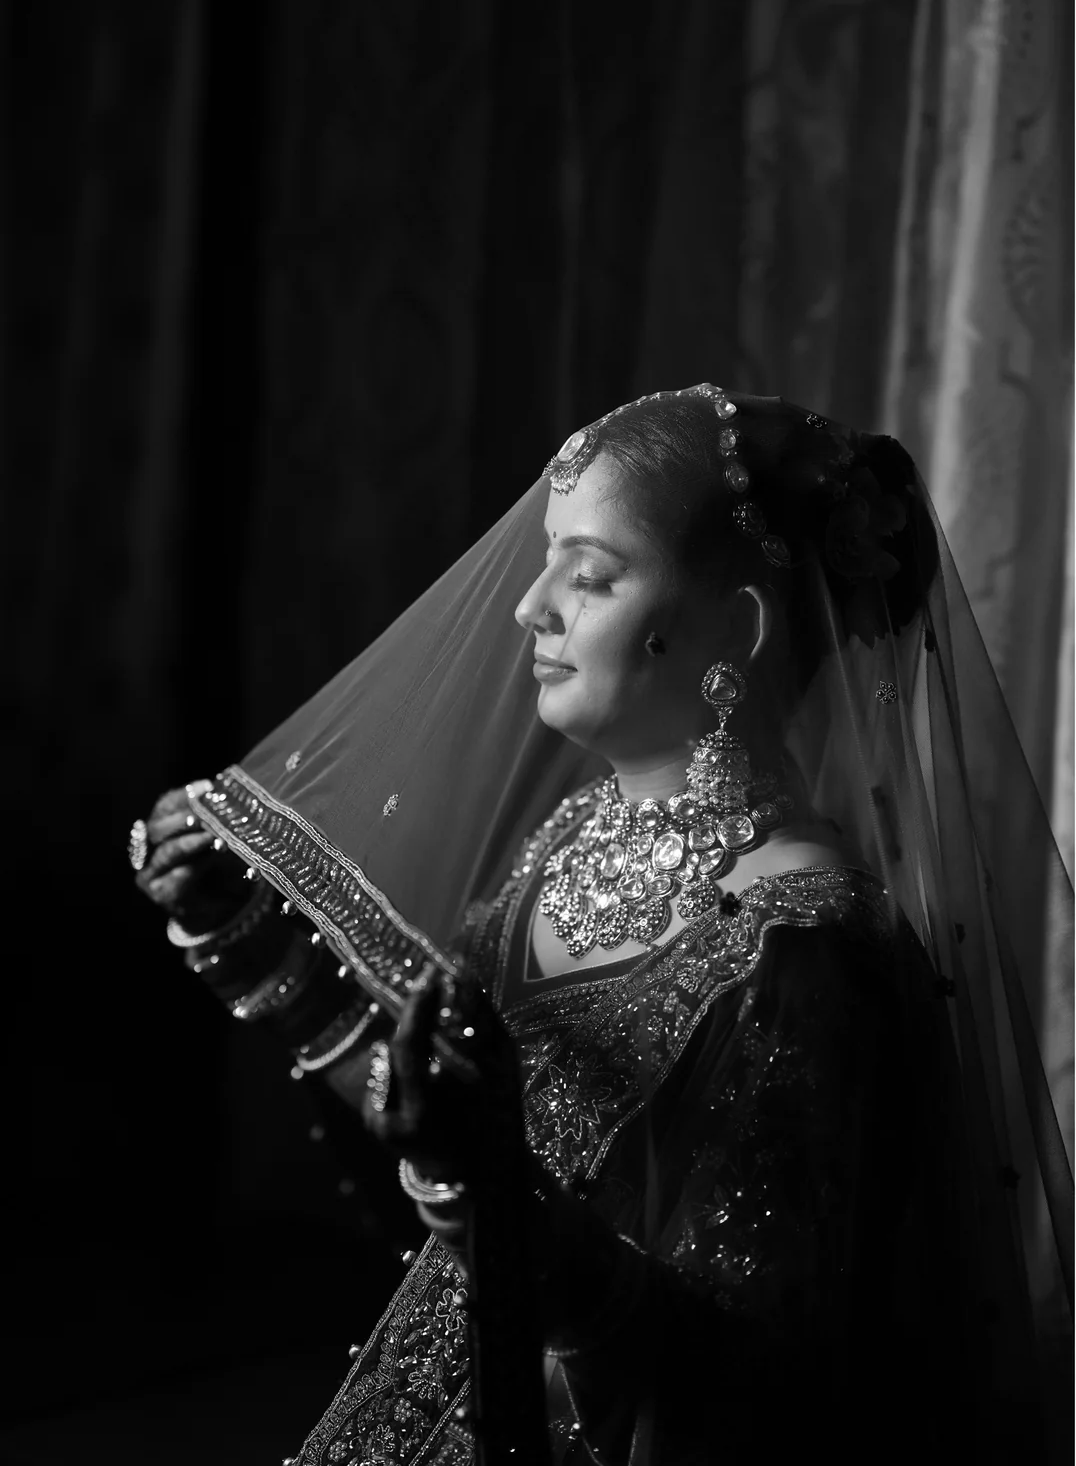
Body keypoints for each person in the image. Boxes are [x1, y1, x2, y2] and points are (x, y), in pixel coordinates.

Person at [132, 386, 1072, 1466]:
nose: (530, 607)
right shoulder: (573, 833)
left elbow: (738, 1370)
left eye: (587, 577)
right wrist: (243, 937)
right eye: (546, 566)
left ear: (737, 631)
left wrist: (476, 1180)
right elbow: (431, 1091)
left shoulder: (796, 945)